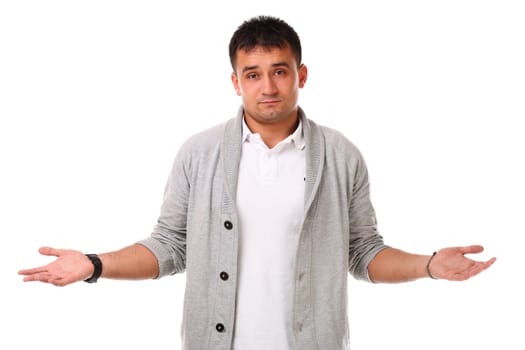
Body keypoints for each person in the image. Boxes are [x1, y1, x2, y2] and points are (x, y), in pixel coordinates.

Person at [19, 15, 496, 350]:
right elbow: (169, 246)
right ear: (236, 82)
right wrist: (95, 264)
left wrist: (430, 265)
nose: (268, 87)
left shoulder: (341, 154)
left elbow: (363, 252)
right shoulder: (199, 153)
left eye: (279, 71)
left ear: (300, 75)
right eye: (253, 74)